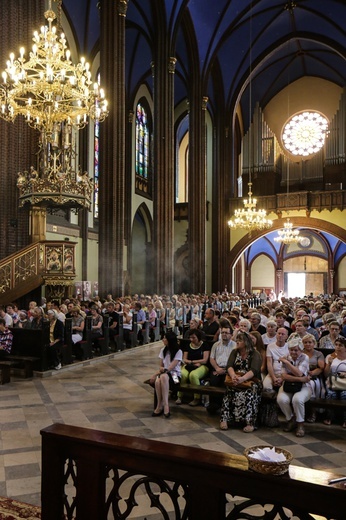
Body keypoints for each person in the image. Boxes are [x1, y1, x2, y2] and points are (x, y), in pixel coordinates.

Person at [220, 331, 262, 432]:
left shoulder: (255, 354)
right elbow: (229, 366)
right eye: (237, 340)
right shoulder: (235, 352)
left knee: (250, 393)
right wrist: (234, 376)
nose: (237, 342)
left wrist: (242, 379)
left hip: (251, 380)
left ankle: (249, 422)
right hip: (235, 378)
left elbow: (254, 370)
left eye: (240, 340)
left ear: (246, 342)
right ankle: (225, 419)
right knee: (229, 390)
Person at [276, 336, 312, 437]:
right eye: (291, 350)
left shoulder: (305, 357)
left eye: (296, 350)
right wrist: (301, 379)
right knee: (281, 399)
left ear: (301, 350)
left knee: (297, 399)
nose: (293, 352)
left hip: (304, 386)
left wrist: (287, 363)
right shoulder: (286, 357)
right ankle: (291, 419)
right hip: (288, 385)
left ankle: (300, 424)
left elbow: (299, 373)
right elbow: (284, 376)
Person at [150, 331, 183, 418]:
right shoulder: (163, 350)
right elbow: (161, 366)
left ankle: (165, 405)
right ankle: (160, 406)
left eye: (165, 338)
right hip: (165, 375)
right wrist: (160, 372)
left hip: (176, 377)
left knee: (163, 376)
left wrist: (155, 374)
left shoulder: (178, 351)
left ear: (169, 340)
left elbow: (169, 368)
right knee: (158, 381)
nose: (163, 339)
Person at [176, 329, 210, 407]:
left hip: (202, 366)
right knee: (183, 375)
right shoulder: (188, 345)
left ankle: (196, 398)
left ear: (198, 337)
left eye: (194, 338)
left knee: (193, 375)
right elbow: (184, 359)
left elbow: (204, 360)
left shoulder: (204, 345)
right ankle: (179, 396)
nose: (192, 339)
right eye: (190, 337)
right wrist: (193, 362)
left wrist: (195, 362)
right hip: (189, 365)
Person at [207, 325, 236, 415]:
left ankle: (224, 405)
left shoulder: (235, 346)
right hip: (217, 368)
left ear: (231, 335)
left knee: (225, 383)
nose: (224, 335)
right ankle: (213, 405)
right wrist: (217, 368)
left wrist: (225, 370)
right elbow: (212, 358)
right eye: (222, 333)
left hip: (229, 370)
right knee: (213, 382)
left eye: (226, 333)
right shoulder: (216, 345)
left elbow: (235, 361)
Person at [302, 333, 325, 423]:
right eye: (305, 342)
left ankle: (313, 411)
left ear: (314, 343)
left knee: (311, 384)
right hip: (302, 375)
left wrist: (312, 373)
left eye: (310, 342)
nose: (307, 344)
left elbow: (321, 367)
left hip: (315, 376)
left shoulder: (318, 354)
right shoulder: (301, 352)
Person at [323, 337, 346, 428]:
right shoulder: (330, 356)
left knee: (344, 395)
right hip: (333, 382)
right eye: (336, 345)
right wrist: (328, 364)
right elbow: (325, 374)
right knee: (330, 394)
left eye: (340, 345)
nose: (338, 347)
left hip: (344, 383)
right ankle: (329, 417)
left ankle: (345, 419)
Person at [263, 327, 289, 393]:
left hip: (285, 375)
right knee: (266, 386)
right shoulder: (270, 346)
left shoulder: (289, 347)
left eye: (283, 334)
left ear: (286, 337)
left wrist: (282, 378)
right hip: (272, 374)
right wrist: (274, 378)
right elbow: (269, 363)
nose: (280, 335)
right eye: (279, 333)